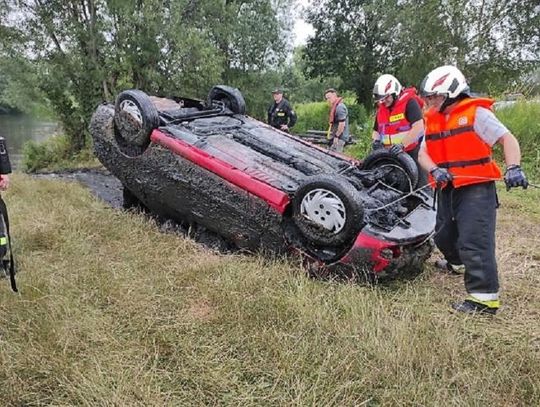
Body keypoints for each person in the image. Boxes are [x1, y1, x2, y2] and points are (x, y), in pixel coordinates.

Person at [418, 65, 528, 315]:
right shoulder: (432, 119)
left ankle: (484, 298)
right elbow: (423, 153)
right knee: (443, 234)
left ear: (452, 92)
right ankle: (456, 263)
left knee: (474, 241)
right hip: (446, 185)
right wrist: (435, 170)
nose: (430, 101)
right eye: (429, 97)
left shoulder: (477, 114)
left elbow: (506, 139)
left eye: (435, 96)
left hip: (476, 188)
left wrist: (514, 167)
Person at [372, 74, 427, 187]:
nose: (384, 101)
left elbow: (419, 127)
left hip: (412, 152)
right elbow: (376, 130)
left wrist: (402, 145)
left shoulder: (409, 103)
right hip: (390, 155)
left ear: (395, 93)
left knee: (419, 186)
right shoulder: (382, 109)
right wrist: (376, 141)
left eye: (387, 97)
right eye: (382, 98)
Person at [324, 88, 349, 153]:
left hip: (339, 138)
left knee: (335, 158)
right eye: (327, 99)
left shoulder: (340, 107)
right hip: (336, 138)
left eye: (329, 97)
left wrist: (336, 136)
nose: (328, 100)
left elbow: (342, 124)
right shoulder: (335, 107)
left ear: (334, 95)